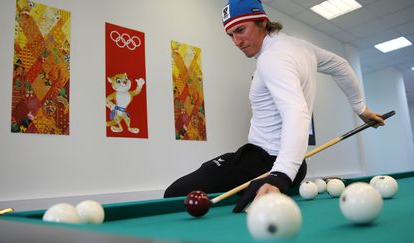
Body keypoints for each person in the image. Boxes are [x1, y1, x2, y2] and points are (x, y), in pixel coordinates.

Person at [164, 0, 385, 213]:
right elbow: (341, 65)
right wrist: (361, 109)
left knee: (175, 193)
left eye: (241, 30)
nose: (236, 41)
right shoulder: (300, 47)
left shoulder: (272, 58)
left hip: (265, 163)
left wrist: (280, 175)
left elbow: (296, 112)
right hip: (294, 165)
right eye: (231, 35)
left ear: (262, 21)